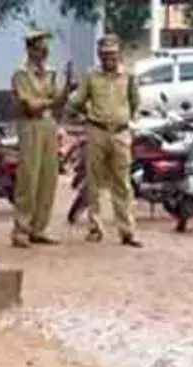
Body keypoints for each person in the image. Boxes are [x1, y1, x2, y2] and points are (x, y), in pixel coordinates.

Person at [69, 34, 142, 247]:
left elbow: (135, 101)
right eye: (104, 54)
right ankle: (95, 228)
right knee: (94, 182)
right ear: (99, 55)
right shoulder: (91, 76)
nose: (108, 58)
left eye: (112, 54)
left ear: (118, 54)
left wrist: (128, 122)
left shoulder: (128, 75)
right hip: (97, 131)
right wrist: (87, 115)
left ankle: (127, 231)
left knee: (123, 183)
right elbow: (77, 101)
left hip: (120, 133)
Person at [11, 29, 67, 248]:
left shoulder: (51, 73)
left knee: (48, 177)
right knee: (28, 177)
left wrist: (64, 89)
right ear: (30, 50)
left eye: (45, 49)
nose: (43, 52)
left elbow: (58, 101)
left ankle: (39, 228)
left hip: (48, 125)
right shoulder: (21, 74)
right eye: (39, 48)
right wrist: (50, 101)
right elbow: (30, 106)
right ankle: (21, 229)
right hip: (30, 125)